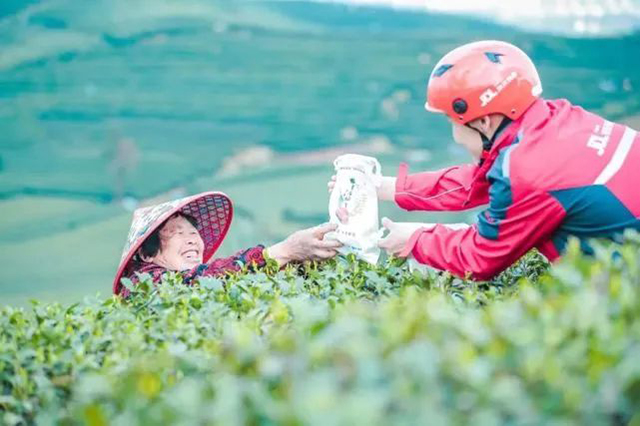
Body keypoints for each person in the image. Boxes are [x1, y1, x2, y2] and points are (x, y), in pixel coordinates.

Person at [332, 40, 639, 280]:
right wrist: (383, 187)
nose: (454, 133)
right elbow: (482, 180)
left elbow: (480, 257)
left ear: (485, 122)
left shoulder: (526, 170)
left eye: (453, 121)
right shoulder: (554, 121)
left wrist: (415, 240)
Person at [113, 191, 341, 296]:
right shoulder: (139, 285)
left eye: (193, 232)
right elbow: (196, 282)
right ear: (147, 254)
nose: (192, 238)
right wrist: (285, 250)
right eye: (177, 233)